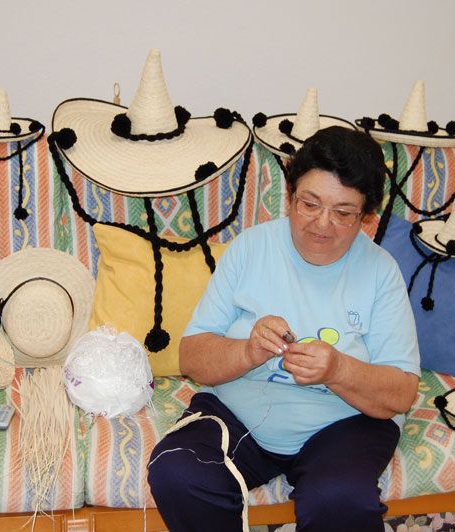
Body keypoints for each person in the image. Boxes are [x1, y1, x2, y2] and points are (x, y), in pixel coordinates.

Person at [148, 126, 421, 531]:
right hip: (239, 414)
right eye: (309, 204)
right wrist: (247, 351)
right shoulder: (250, 248)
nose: (322, 224)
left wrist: (338, 370)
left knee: (339, 498)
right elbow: (192, 358)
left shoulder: (381, 271)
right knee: (177, 471)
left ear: (366, 218)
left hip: (344, 423)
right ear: (290, 195)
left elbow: (401, 393)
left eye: (343, 213)